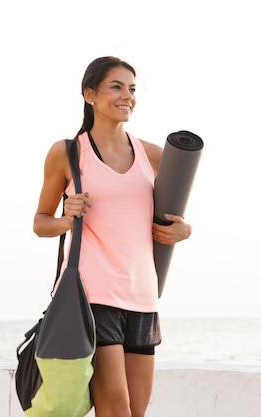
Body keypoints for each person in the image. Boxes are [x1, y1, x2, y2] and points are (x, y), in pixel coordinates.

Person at [33, 56, 192, 417]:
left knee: (136, 411)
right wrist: (66, 217)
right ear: (89, 94)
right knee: (115, 408)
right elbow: (40, 222)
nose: (128, 96)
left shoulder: (152, 155)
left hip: (142, 296)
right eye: (116, 87)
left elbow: (176, 217)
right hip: (92, 297)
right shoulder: (68, 153)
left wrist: (185, 230)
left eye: (132, 88)